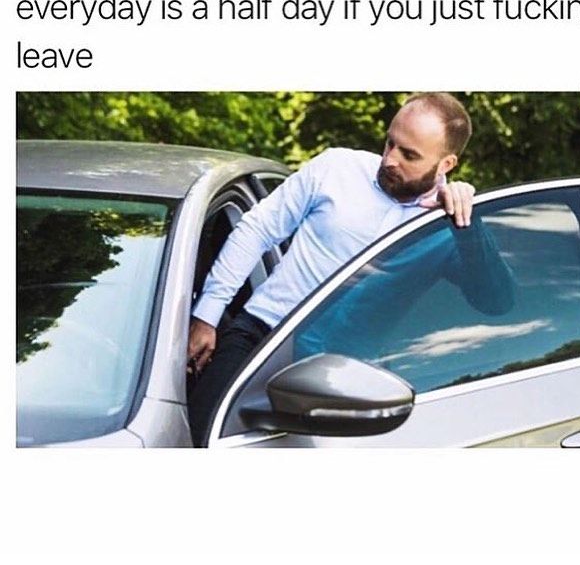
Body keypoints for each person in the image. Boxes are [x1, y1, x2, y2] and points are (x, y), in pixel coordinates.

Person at [187, 92, 478, 446]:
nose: (390, 159)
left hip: (348, 375)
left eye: (409, 155)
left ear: (446, 163)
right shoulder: (336, 168)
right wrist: (207, 316)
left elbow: (495, 300)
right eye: (390, 143)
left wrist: (470, 226)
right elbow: (257, 229)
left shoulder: (445, 228)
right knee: (196, 439)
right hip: (260, 335)